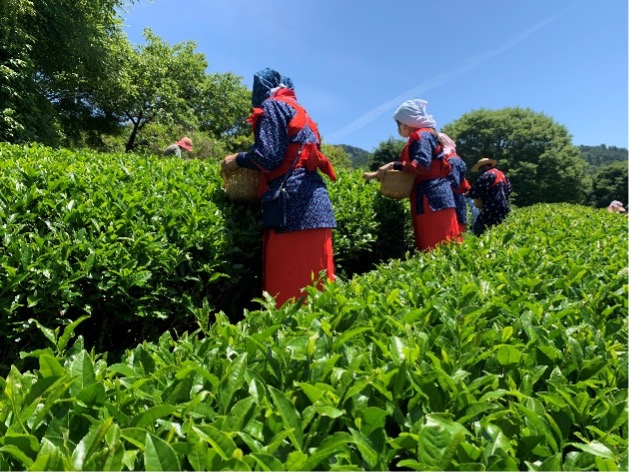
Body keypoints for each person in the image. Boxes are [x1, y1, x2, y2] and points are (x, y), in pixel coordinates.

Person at [221, 68, 337, 308]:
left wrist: (237, 159)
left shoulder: (273, 106)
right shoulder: (299, 111)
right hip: (316, 201)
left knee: (289, 295)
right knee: (319, 292)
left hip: (291, 206)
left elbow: (267, 157)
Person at [363, 99, 460, 251]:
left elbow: (421, 165)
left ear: (405, 123)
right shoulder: (427, 135)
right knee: (442, 246)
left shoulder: (421, 136)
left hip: (431, 198)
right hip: (432, 196)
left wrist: (393, 165)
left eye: (398, 124)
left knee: (437, 245)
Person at [468, 157, 512, 236]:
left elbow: (474, 191)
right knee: (499, 230)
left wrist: (466, 194)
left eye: (481, 168)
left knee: (479, 228)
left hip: (491, 207)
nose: (481, 171)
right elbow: (509, 190)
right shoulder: (502, 175)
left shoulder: (487, 175)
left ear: (485, 166)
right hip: (504, 207)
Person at [439, 132, 471, 235]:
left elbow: (453, 182)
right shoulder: (447, 158)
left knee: (456, 229)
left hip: (455, 198)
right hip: (452, 197)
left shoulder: (452, 159)